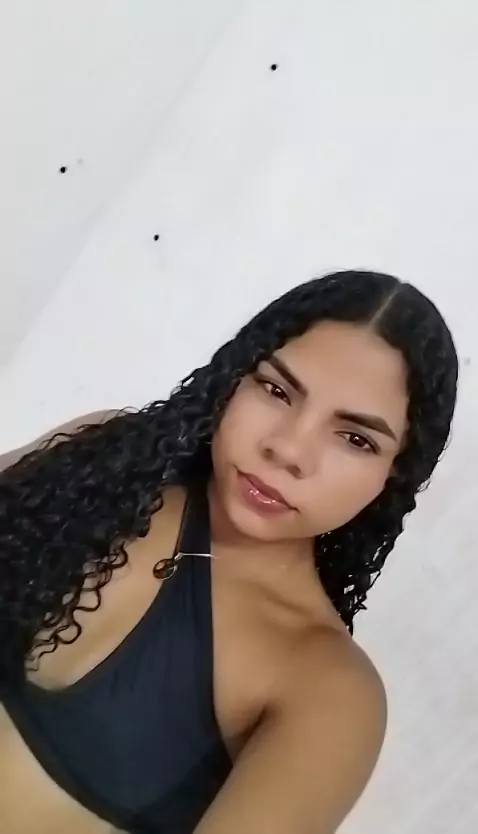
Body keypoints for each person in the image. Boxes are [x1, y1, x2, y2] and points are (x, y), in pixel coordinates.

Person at [0, 269, 458, 834]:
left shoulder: (327, 690)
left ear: (395, 477)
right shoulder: (105, 459)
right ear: (234, 375)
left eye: (355, 438)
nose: (287, 448)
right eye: (277, 390)